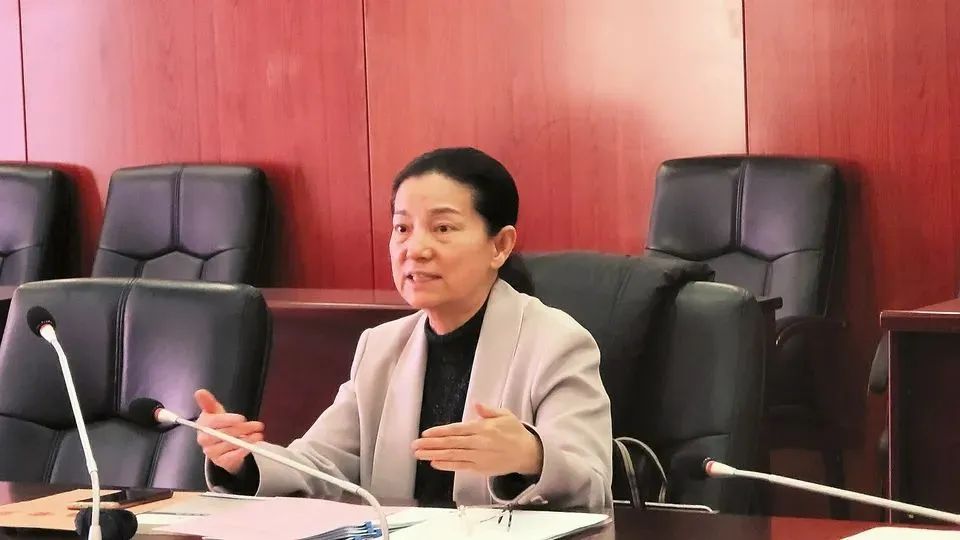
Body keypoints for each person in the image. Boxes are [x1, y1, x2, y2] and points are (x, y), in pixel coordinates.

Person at [197, 147, 612, 509]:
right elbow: (321, 465)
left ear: (500, 246)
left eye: (443, 228)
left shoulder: (556, 343)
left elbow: (592, 486)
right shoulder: (380, 347)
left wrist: (532, 456)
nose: (416, 249)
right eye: (402, 228)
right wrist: (243, 461)